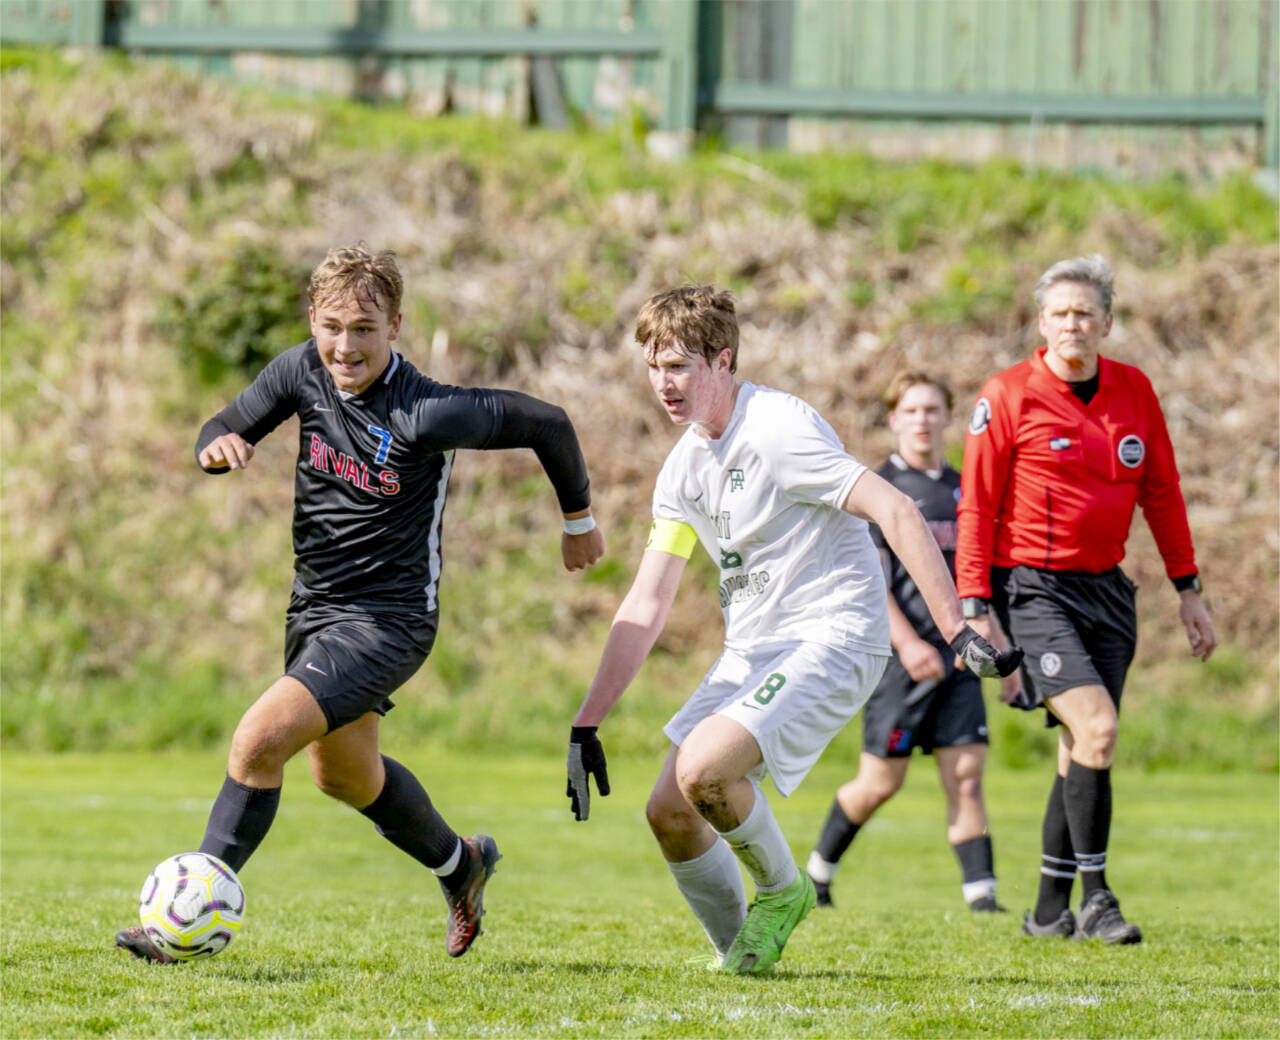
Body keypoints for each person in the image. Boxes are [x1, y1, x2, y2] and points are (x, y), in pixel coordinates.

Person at [115, 244, 605, 963]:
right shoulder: (300, 372)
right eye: (334, 326)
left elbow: (548, 422)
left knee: (258, 741)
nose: (346, 346)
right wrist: (215, 449)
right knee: (342, 774)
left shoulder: (426, 412)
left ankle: (180, 924)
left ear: (396, 326)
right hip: (313, 609)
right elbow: (220, 426)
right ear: (313, 319)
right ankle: (459, 864)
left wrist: (578, 521)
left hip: (389, 620)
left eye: (366, 329)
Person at [563, 286, 1020, 975]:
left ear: (724, 360)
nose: (664, 383)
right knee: (670, 811)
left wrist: (956, 628)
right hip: (755, 648)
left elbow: (895, 510)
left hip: (834, 634)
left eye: (680, 365)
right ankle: (743, 960)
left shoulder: (778, 428)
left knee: (705, 770)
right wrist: (587, 720)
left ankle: (784, 891)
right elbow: (649, 600)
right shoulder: (684, 468)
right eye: (654, 366)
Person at [956, 254, 1217, 944]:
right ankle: (1098, 899)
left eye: (1086, 313)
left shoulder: (1135, 390)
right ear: (1042, 323)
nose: (1073, 323)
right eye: (1060, 313)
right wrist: (974, 604)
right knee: (1098, 729)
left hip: (1107, 590)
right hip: (1032, 587)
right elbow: (977, 505)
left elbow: (1161, 492)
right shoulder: (1008, 394)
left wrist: (1189, 590)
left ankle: (1048, 911)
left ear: (1107, 321)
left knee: (1082, 748)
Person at [805, 371, 1003, 914]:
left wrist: (988, 638)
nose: (922, 420)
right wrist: (908, 644)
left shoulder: (965, 490)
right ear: (894, 419)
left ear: (947, 417)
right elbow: (868, 579)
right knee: (880, 782)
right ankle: (817, 874)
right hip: (900, 661)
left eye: (932, 409)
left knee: (966, 775)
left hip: (958, 659)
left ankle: (982, 897)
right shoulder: (878, 490)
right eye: (911, 410)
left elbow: (981, 575)